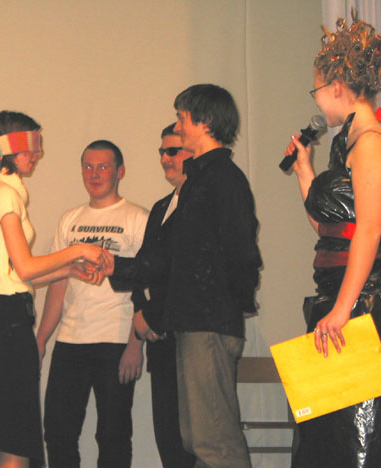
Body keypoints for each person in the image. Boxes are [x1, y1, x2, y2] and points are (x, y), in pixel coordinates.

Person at [106, 84, 262, 468]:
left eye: (182, 118)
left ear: (204, 121)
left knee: (215, 441)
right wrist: (114, 267)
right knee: (195, 438)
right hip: (192, 324)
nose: (178, 127)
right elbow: (171, 260)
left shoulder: (222, 178)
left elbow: (241, 253)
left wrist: (223, 306)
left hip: (208, 323)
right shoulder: (197, 183)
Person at [283, 12, 381, 467]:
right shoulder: (347, 144)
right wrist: (304, 171)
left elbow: (369, 233)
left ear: (336, 87)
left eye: (316, 89)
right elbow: (330, 231)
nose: (316, 97)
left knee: (360, 445)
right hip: (339, 303)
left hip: (364, 306)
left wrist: (342, 309)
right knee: (325, 445)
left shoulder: (371, 143)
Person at [0, 111, 106, 468]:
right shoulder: (6, 195)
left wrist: (67, 269)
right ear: (9, 147)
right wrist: (77, 250)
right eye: (30, 145)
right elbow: (25, 268)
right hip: (10, 322)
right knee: (16, 436)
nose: (37, 153)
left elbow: (13, 272)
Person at [36, 140, 148, 468]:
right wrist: (41, 339)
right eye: (88, 166)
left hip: (115, 340)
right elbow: (58, 285)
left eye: (103, 167)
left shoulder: (137, 218)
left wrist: (135, 344)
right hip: (70, 341)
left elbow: (145, 286)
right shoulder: (70, 219)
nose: (94, 174)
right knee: (58, 432)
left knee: (113, 435)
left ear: (119, 172)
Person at [128, 123, 195, 468]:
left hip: (192, 342)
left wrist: (152, 317)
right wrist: (141, 313)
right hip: (161, 343)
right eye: (162, 152)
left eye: (173, 151)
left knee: (196, 445)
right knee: (168, 441)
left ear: (194, 152)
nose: (165, 159)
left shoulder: (201, 204)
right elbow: (145, 268)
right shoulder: (161, 207)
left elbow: (190, 274)